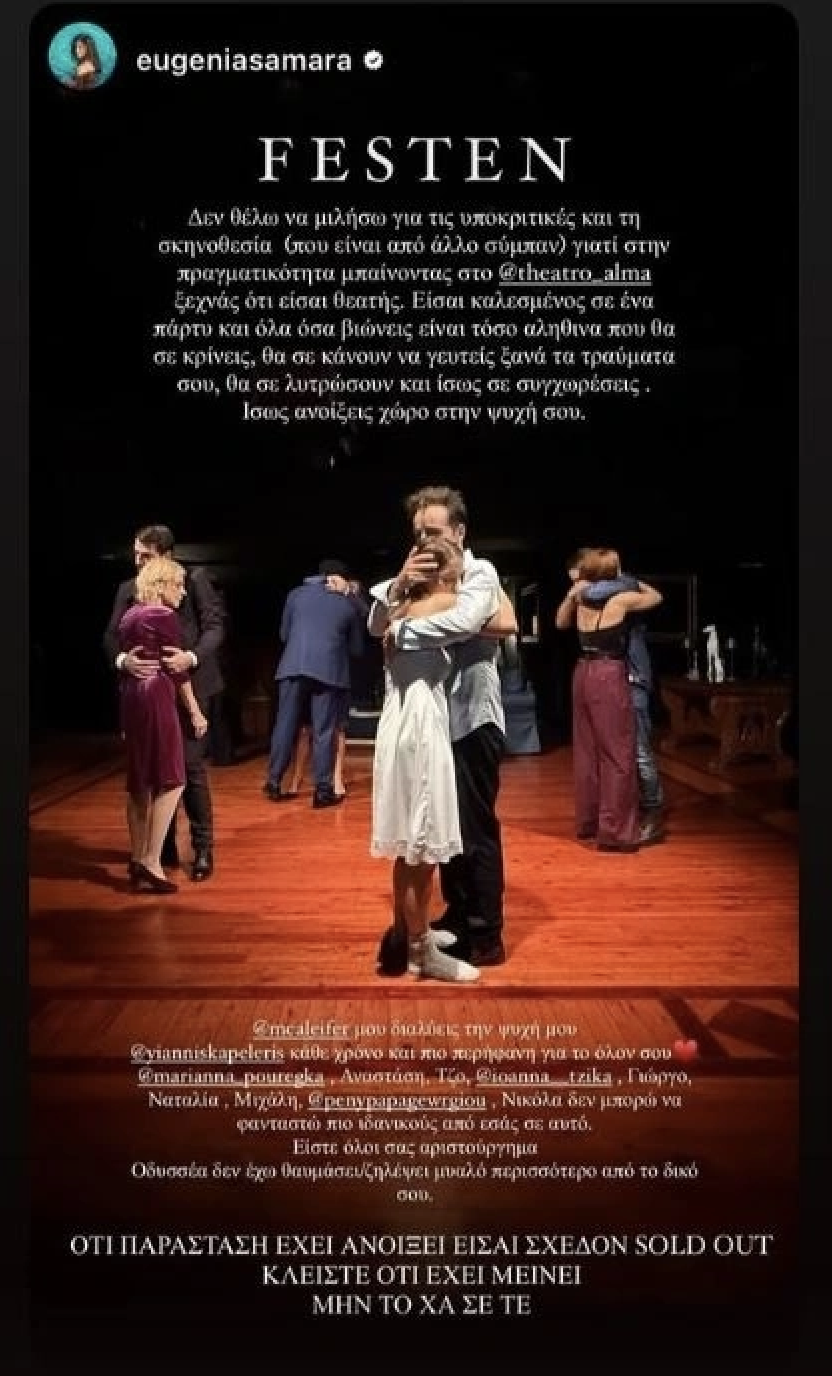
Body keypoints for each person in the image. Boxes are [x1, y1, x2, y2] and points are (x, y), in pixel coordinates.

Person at [369, 485, 517, 968]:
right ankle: (454, 917)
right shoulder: (418, 576)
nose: (424, 541)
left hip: (469, 717)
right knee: (439, 829)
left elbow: (467, 622)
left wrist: (403, 630)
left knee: (474, 829)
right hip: (429, 722)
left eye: (433, 531)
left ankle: (485, 932)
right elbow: (375, 623)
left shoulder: (479, 571)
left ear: (459, 531)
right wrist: (398, 589)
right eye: (418, 533)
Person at [371, 537, 481, 982]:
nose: (460, 584)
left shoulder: (398, 610)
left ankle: (410, 936)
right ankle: (422, 955)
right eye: (455, 576)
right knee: (423, 849)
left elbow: (377, 623)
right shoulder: (443, 606)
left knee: (409, 848)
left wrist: (396, 590)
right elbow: (482, 618)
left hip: (399, 723)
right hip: (420, 726)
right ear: (442, 576)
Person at [103, 524, 225, 881]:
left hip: (189, 681)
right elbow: (110, 636)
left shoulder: (191, 580)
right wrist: (123, 661)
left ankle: (202, 848)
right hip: (152, 689)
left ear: (166, 556)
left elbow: (214, 627)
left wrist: (191, 657)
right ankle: (159, 851)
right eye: (136, 554)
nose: (138, 562)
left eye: (146, 555)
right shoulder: (129, 589)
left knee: (188, 767)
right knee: (156, 771)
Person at [555, 548, 663, 851]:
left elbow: (560, 623)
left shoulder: (579, 598)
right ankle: (615, 830)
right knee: (618, 754)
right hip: (608, 671)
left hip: (582, 672)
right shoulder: (621, 599)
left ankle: (590, 821)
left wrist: (575, 593)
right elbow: (655, 596)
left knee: (587, 751)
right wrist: (625, 580)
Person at [117, 557, 208, 893]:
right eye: (178, 585)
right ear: (161, 585)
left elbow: (128, 655)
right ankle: (152, 861)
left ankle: (137, 857)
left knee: (140, 780)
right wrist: (195, 711)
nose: (183, 593)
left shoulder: (130, 615)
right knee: (173, 778)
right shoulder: (162, 616)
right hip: (155, 695)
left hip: (132, 695)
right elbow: (176, 668)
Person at [264, 558, 366, 808]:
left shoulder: (295, 595)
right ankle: (322, 791)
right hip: (328, 671)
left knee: (284, 725)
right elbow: (357, 649)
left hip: (292, 666)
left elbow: (284, 635)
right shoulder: (346, 603)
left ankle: (274, 782)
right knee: (323, 731)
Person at [287, 578, 371, 798]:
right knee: (306, 729)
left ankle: (336, 778)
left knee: (338, 728)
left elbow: (363, 624)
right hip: (318, 672)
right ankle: (296, 780)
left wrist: (349, 593)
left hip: (340, 674)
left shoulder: (352, 609)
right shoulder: (324, 605)